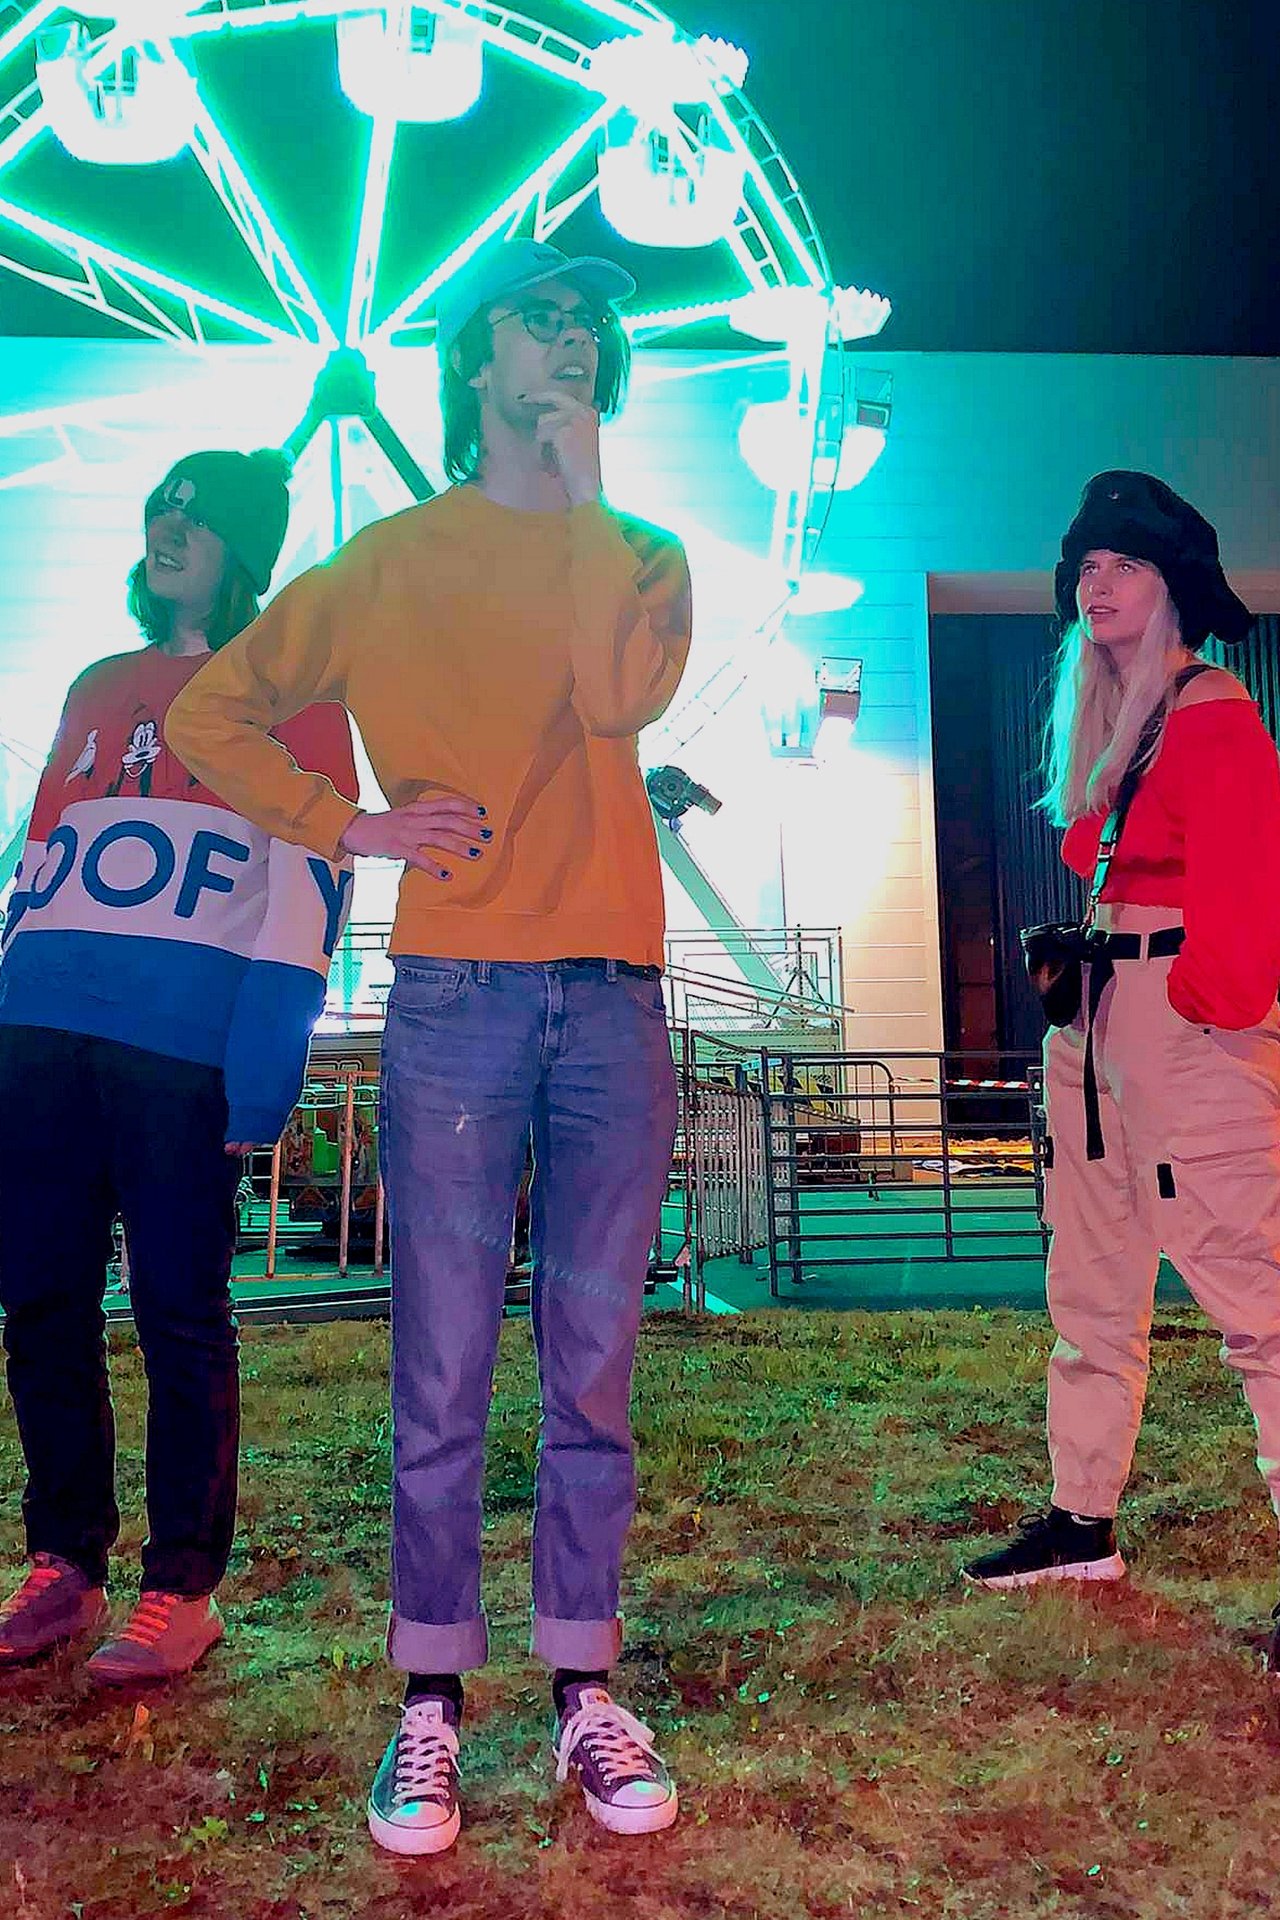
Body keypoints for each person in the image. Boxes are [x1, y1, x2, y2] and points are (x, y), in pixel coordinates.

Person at [166, 239, 692, 1851]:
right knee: (444, 1362)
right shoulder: (388, 561)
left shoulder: (644, 552)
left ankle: (584, 1685)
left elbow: (615, 699)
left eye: (589, 324)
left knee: (594, 1361)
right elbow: (208, 715)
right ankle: (429, 1703)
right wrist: (354, 824)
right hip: (461, 989)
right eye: (542, 316)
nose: (573, 337)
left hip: (614, 993)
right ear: (475, 357)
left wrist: (585, 487)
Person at [0, 449, 357, 1682]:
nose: (170, 524)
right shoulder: (97, 684)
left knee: (178, 1312)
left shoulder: (296, 697)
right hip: (40, 1027)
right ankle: (64, 1562)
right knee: (41, 1300)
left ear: (244, 549)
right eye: (162, 504)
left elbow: (311, 881)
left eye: (199, 515)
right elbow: (35, 855)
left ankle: (181, 1587)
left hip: (179, 1039)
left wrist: (268, 1051)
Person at [963, 470, 1280, 1669]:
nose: (1094, 585)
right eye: (1084, 568)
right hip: (1099, 1022)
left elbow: (1248, 894)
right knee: (1090, 1286)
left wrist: (1195, 1013)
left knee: (1252, 1296)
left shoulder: (1210, 716)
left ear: (1171, 587)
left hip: (1177, 1025)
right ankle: (1079, 1523)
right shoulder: (1122, 721)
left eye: (1122, 566)